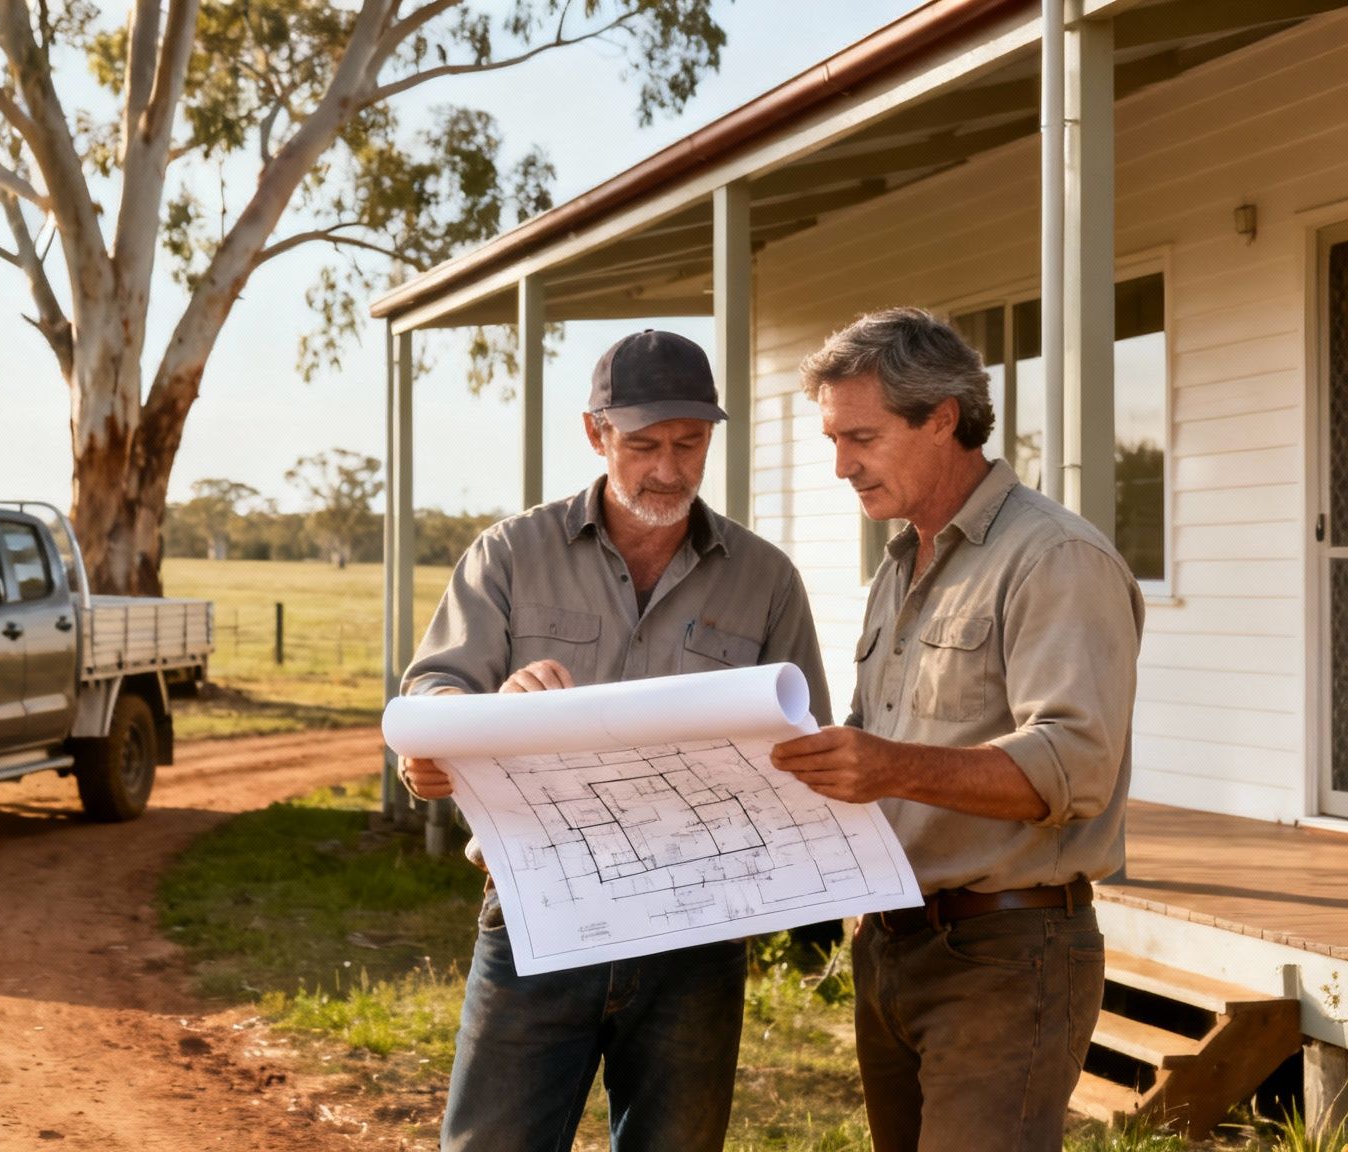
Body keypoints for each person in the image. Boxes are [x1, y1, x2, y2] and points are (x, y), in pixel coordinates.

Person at [398, 329, 831, 1152]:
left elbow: (803, 747)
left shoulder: (768, 581)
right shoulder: (511, 554)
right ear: (595, 434)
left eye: (689, 443)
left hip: (697, 933)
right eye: (643, 445)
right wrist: (490, 710)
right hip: (535, 911)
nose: (668, 469)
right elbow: (431, 693)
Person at [770, 308, 1144, 1152]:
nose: (840, 466)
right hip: (893, 945)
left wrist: (885, 766)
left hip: (1007, 955)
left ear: (941, 419)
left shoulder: (1055, 559)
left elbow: (1072, 768)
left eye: (859, 437)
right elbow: (874, 749)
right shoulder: (899, 565)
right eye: (832, 440)